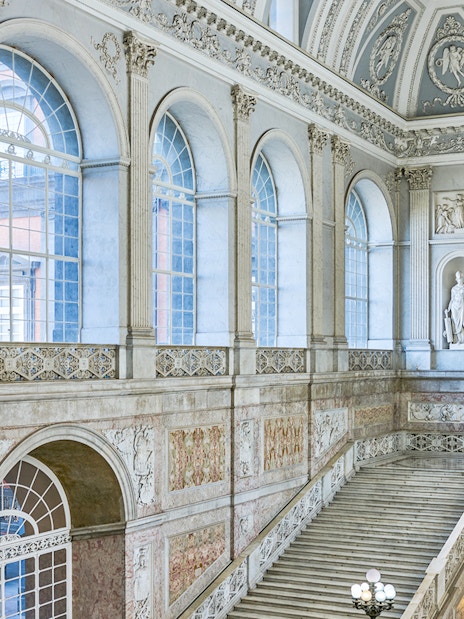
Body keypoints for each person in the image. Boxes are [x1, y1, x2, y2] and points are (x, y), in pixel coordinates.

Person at [445, 271, 464, 344]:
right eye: (459, 278)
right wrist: (448, 309)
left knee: (462, 322)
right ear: (456, 279)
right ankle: (459, 340)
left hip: (462, 305)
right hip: (454, 307)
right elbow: (452, 299)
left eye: (461, 278)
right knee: (456, 323)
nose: (460, 280)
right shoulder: (453, 289)